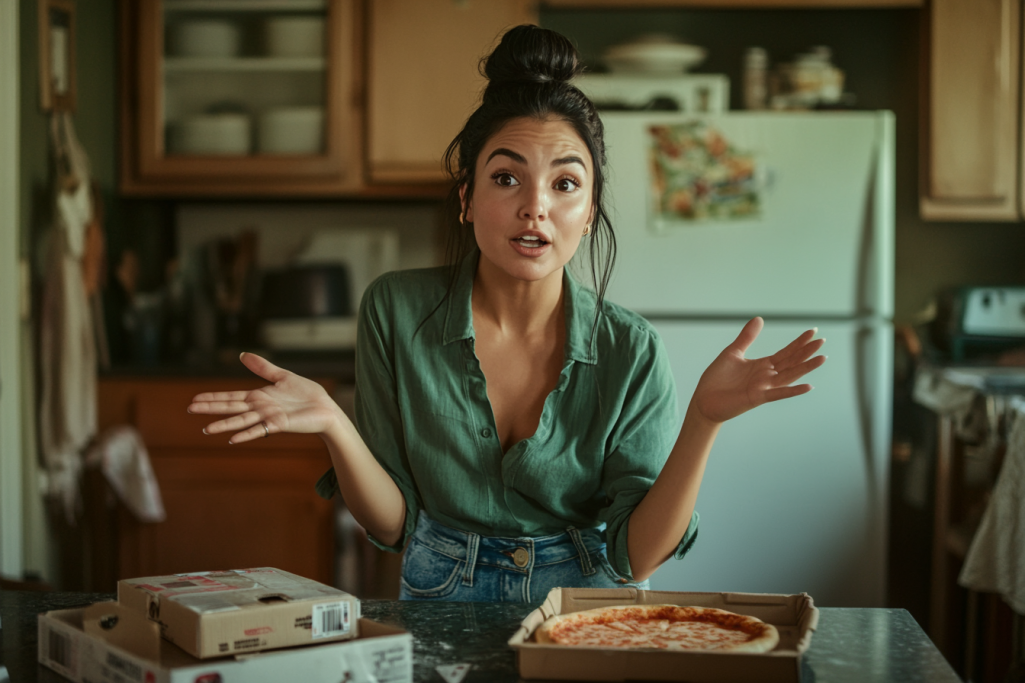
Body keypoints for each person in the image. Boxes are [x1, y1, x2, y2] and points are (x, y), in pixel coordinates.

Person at [188, 25, 825, 603]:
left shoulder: (634, 349)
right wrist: (334, 422)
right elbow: (392, 525)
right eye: (506, 178)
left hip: (591, 600)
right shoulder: (394, 309)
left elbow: (634, 557)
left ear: (591, 207)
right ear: (466, 197)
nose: (536, 208)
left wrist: (704, 421)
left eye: (565, 183)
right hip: (440, 591)